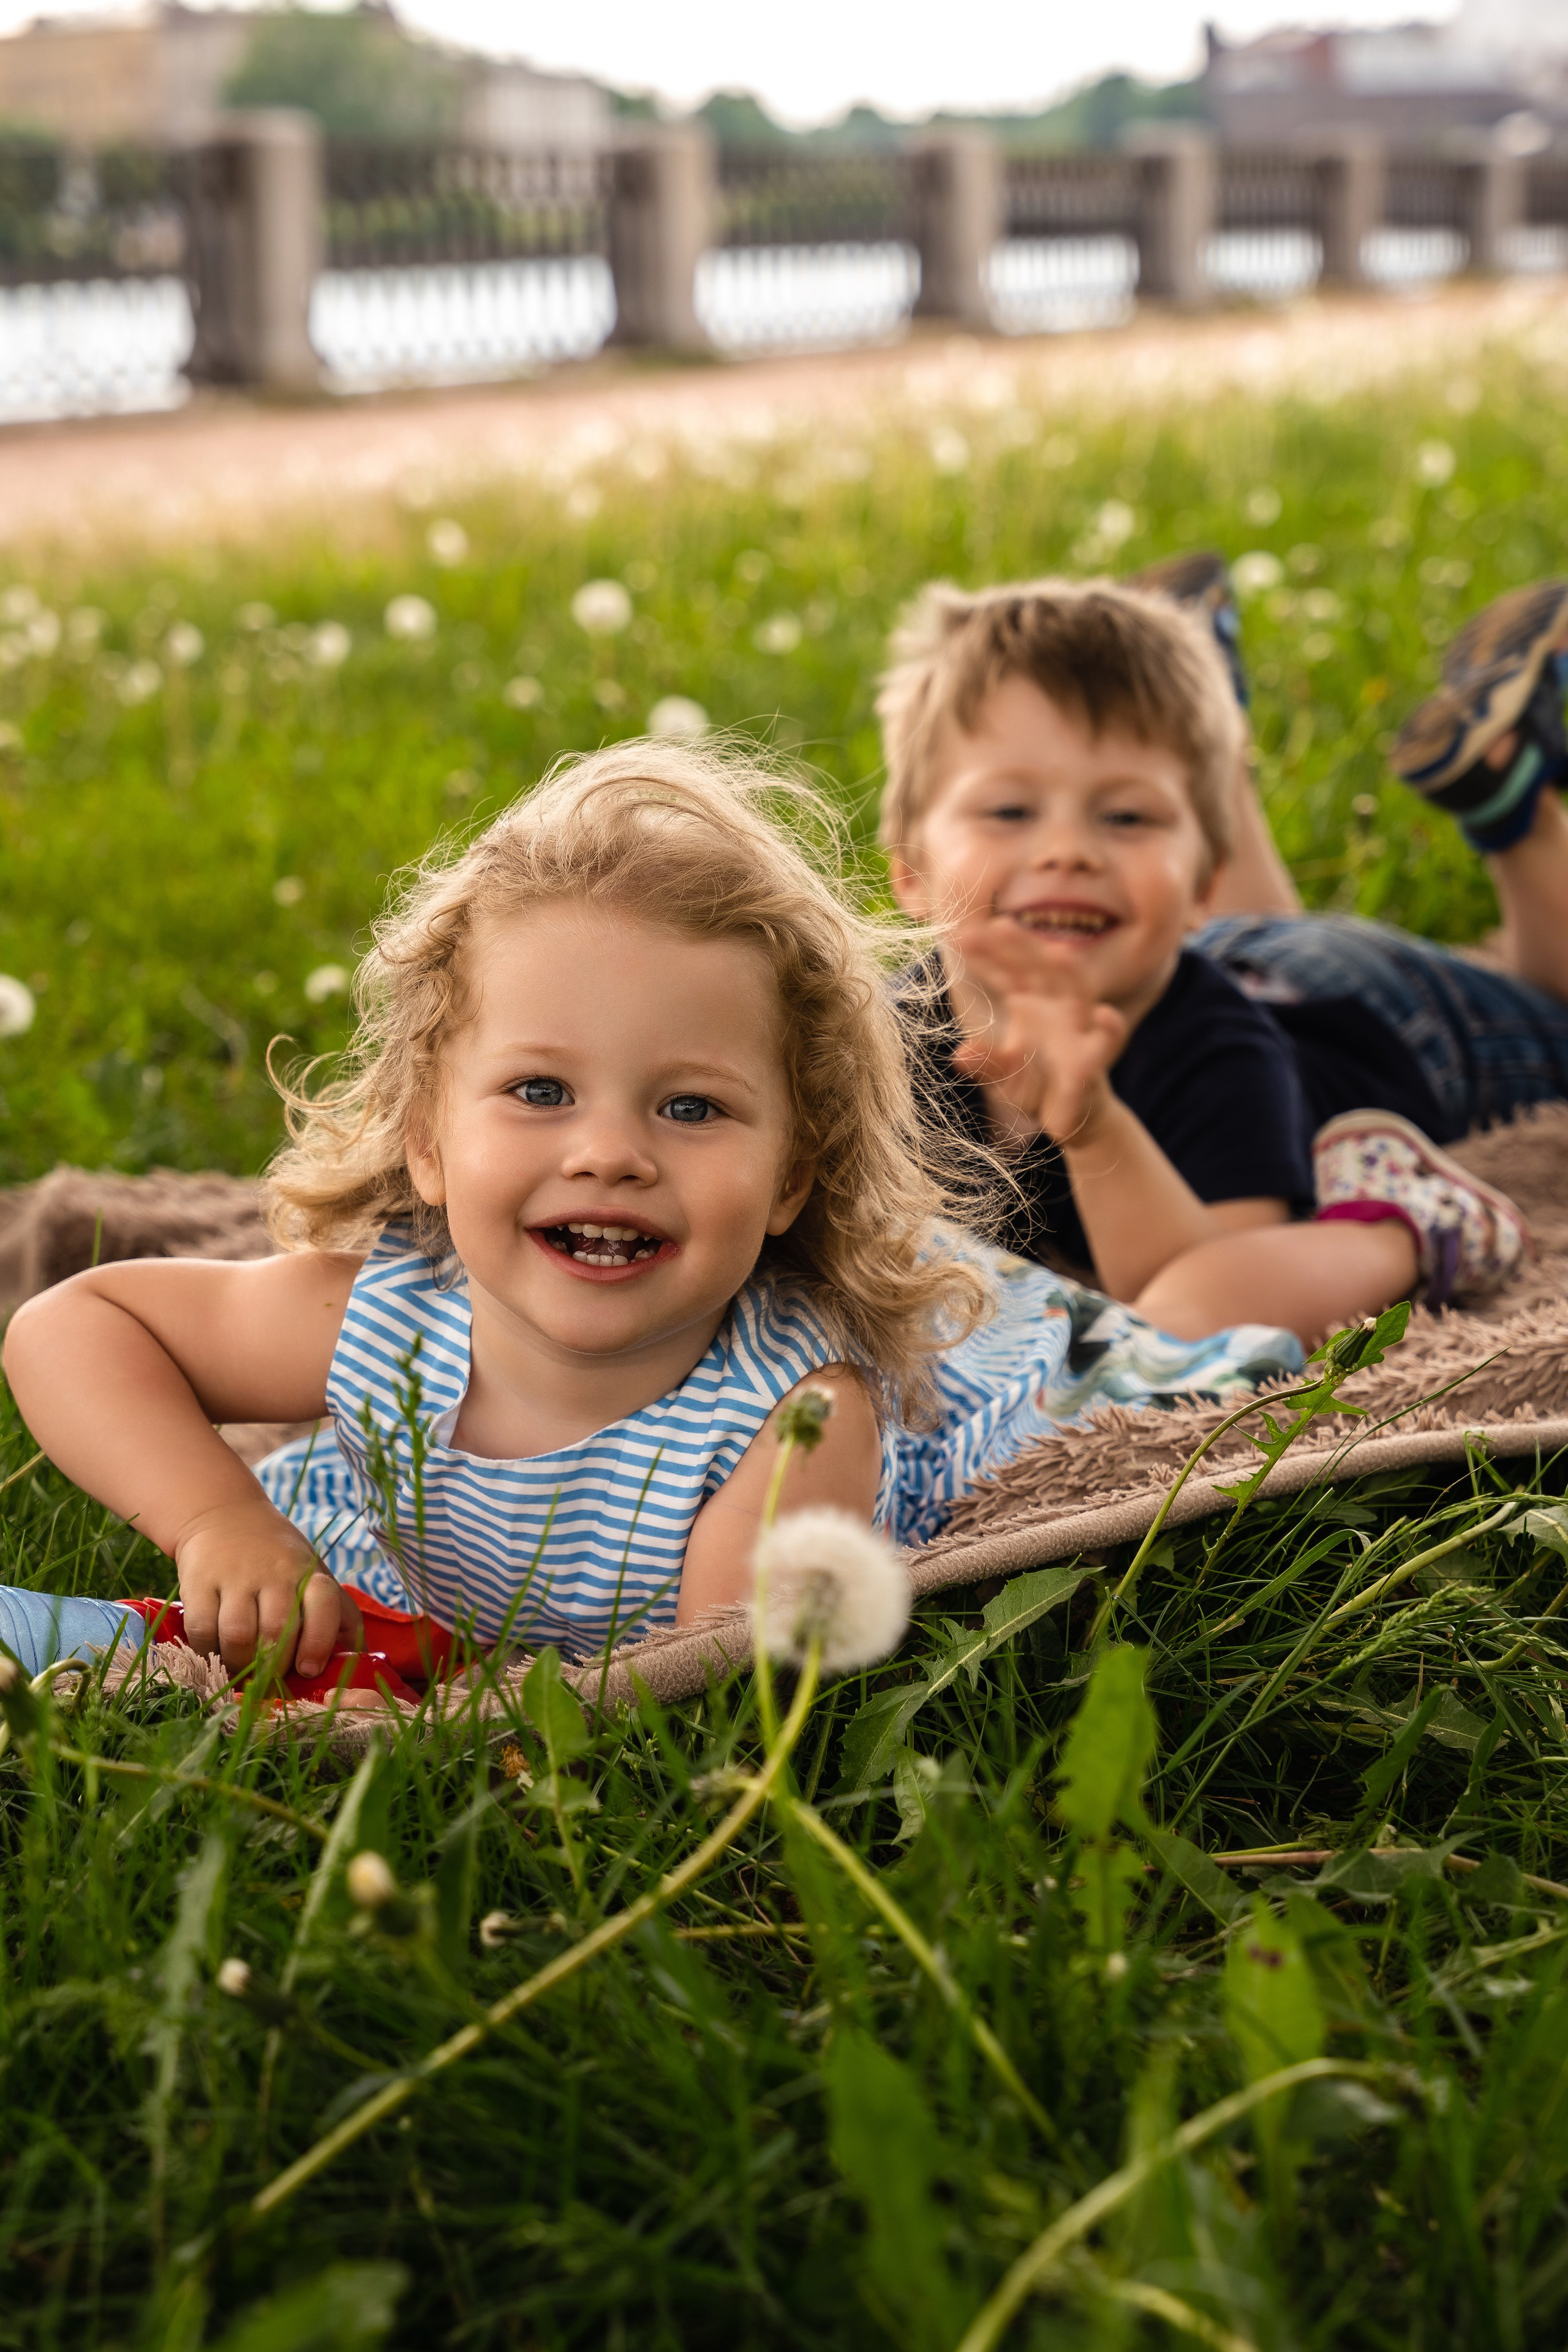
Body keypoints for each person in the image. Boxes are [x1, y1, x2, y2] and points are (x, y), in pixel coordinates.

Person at [0, 744, 1302, 1692]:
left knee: (1203, 1317)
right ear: (425, 1139)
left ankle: (1390, 1208)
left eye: (691, 1109)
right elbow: (72, 1327)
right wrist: (220, 1522)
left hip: (1013, 1357)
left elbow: (715, 1692)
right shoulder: (387, 1310)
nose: (610, 1153)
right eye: (537, 1091)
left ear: (792, 1175)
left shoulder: (793, 1420)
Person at [878, 573, 1555, 1346]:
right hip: (1209, 943)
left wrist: (1093, 1125)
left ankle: (1509, 797)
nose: (1067, 851)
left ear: (1202, 885)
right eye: (1009, 811)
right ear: (910, 870)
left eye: (1126, 816)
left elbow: (1202, 1298)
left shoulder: (1217, 1055)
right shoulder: (887, 1040)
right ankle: (1207, 714)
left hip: (1384, 1013)